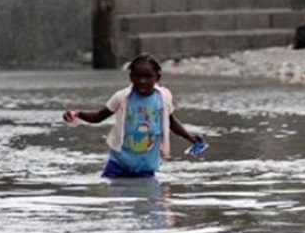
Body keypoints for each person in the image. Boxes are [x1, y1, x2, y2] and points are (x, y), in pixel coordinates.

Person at [62, 53, 203, 178]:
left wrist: (190, 138)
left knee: (149, 201)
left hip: (146, 165)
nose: (142, 81)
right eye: (138, 76)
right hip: (119, 163)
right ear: (131, 77)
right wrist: (78, 114)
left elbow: (171, 122)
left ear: (157, 77)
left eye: (148, 77)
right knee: (115, 199)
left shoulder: (163, 98)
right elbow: (99, 116)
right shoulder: (122, 97)